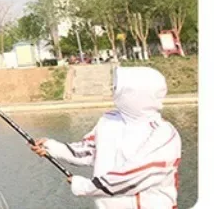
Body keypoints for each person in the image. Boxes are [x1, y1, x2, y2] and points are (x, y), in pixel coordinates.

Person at [32, 67, 181, 208]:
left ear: (134, 93)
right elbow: (90, 150)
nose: (113, 90)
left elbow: (133, 178)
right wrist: (52, 147)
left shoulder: (164, 135)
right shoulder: (109, 120)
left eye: (118, 87)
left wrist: (85, 186)